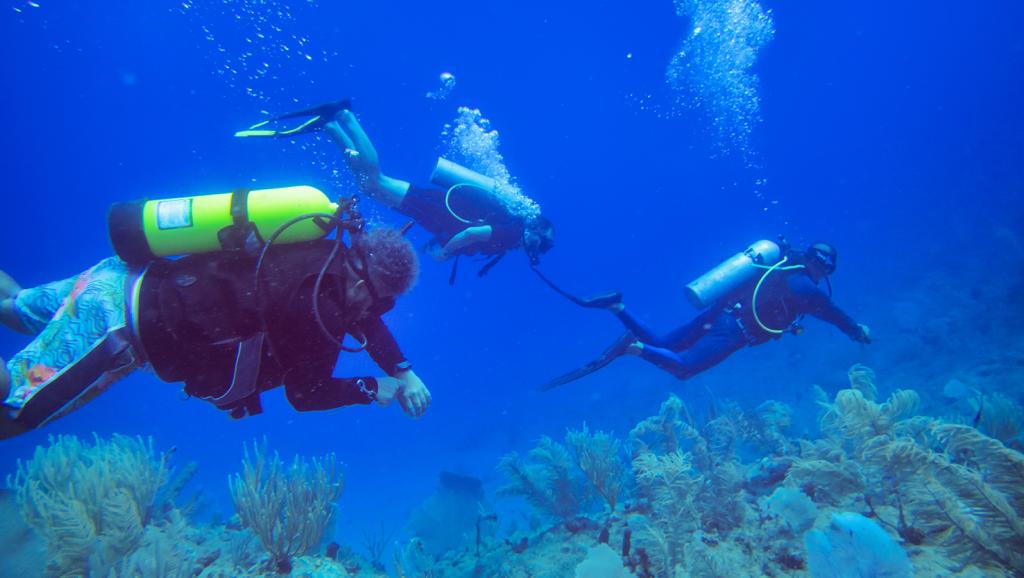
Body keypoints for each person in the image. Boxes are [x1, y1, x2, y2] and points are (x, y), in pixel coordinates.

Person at [0, 225, 432, 439]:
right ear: (362, 285)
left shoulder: (325, 249)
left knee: (16, 307)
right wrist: (373, 387)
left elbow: (365, 318)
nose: (375, 313)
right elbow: (306, 395)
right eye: (380, 302)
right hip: (116, 327)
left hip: (119, 276)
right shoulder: (320, 311)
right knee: (14, 413)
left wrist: (404, 369)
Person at [543, 242, 871, 389]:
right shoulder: (807, 288)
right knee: (684, 368)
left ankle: (617, 307)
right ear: (825, 268)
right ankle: (631, 348)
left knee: (662, 343)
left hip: (720, 310)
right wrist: (857, 331)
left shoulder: (780, 266)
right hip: (734, 330)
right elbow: (833, 314)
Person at [323, 109, 555, 272]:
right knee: (376, 181)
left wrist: (443, 246)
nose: (536, 248)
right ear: (534, 230)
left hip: (432, 211)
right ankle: (346, 116)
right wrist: (446, 252)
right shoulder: (513, 232)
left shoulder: (511, 234)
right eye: (540, 243)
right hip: (434, 207)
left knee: (369, 187)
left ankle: (331, 126)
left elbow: (467, 234)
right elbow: (471, 234)